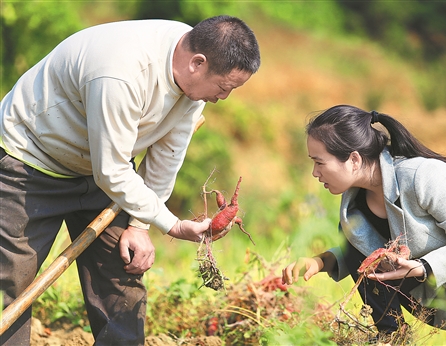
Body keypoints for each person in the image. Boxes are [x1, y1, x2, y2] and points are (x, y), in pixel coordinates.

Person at [0, 15, 260, 345]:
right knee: (14, 282)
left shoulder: (192, 78)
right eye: (225, 88)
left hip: (103, 171)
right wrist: (172, 224)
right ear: (198, 63)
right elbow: (111, 171)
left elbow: (167, 154)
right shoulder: (121, 71)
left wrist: (139, 224)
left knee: (124, 272)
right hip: (31, 162)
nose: (224, 97)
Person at [281, 105, 446, 345]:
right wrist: (319, 262)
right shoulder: (355, 200)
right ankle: (392, 337)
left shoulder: (424, 177)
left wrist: (421, 266)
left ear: (353, 159)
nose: (314, 172)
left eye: (319, 162)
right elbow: (363, 252)